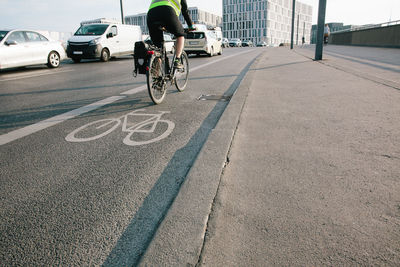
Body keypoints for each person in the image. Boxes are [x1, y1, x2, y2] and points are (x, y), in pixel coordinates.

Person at [147, 0, 195, 69]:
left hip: (151, 14)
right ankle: (177, 61)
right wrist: (190, 26)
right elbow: (185, 11)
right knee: (180, 35)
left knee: (158, 48)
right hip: (167, 11)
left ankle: (157, 75)